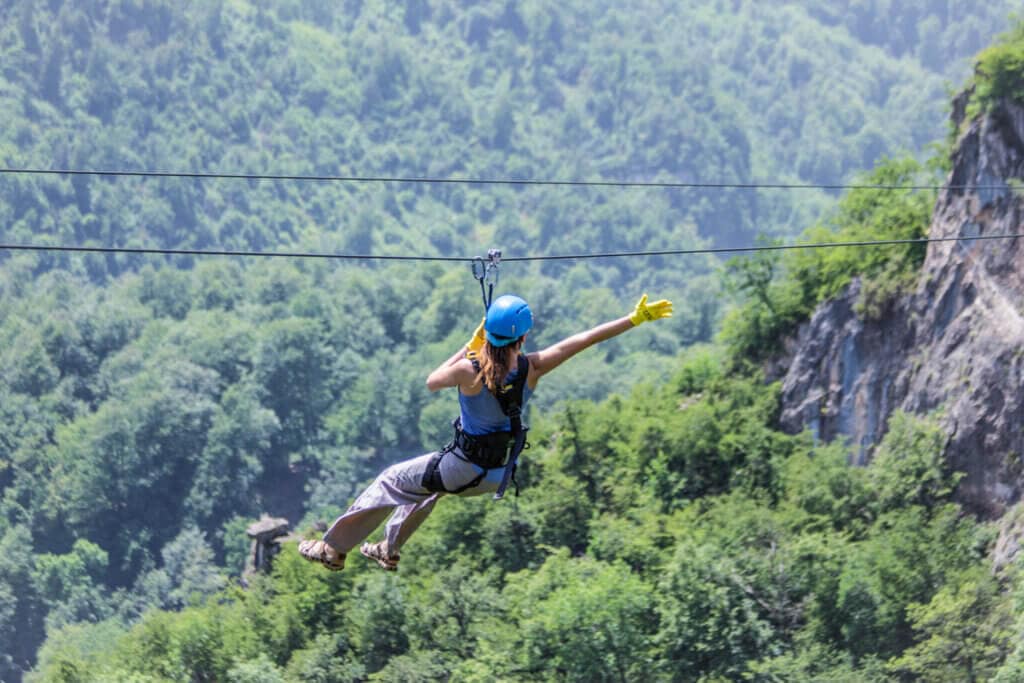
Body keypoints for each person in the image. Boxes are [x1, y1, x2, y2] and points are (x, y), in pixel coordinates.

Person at [298, 292, 673, 571]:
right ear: (522, 339)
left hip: (462, 467)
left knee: (390, 482)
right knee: (427, 489)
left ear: (489, 335)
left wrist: (469, 344)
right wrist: (633, 319)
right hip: (497, 476)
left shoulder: (470, 369)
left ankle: (332, 549)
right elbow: (583, 340)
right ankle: (388, 549)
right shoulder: (532, 368)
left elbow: (431, 381)